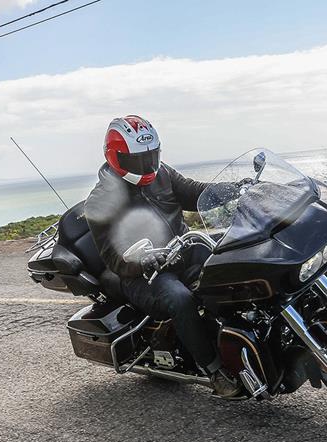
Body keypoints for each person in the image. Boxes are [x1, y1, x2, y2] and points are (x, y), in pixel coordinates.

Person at [84, 115, 241, 398]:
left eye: (151, 156)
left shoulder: (162, 173)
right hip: (144, 272)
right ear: (116, 156)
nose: (147, 165)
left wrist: (233, 189)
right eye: (138, 159)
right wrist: (142, 261)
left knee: (237, 260)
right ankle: (214, 370)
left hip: (183, 248)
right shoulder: (99, 202)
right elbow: (113, 258)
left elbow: (194, 192)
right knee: (181, 299)